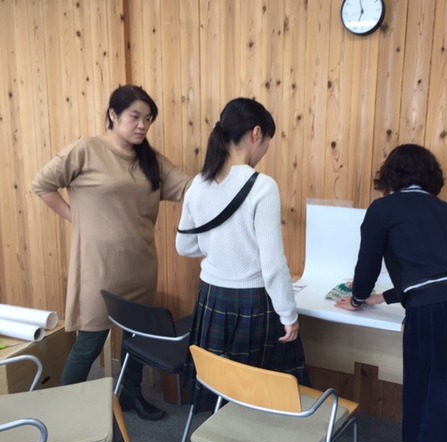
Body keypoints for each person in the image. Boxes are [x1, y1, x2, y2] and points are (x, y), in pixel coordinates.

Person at [31, 85, 193, 421]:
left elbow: (188, 188)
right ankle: (66, 410)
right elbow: (42, 184)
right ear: (113, 115)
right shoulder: (87, 150)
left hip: (141, 266)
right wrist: (76, 218)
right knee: (89, 343)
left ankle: (131, 394)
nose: (142, 125)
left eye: (148, 119)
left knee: (136, 339)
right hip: (98, 270)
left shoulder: (151, 160)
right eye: (135, 116)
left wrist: (228, 173)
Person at [335, 144, 447, 442]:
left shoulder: (383, 209)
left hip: (435, 317)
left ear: (390, 175)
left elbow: (367, 269)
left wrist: (358, 299)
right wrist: (382, 298)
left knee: (432, 409)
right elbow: (441, 274)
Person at [176, 97, 309, 410]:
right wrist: (289, 316)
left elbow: (184, 246)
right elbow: (273, 264)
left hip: (211, 297)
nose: (265, 150)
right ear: (256, 133)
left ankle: (219, 427)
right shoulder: (263, 186)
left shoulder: (198, 184)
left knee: (220, 378)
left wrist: (217, 249)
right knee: (256, 385)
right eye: (268, 142)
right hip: (252, 301)